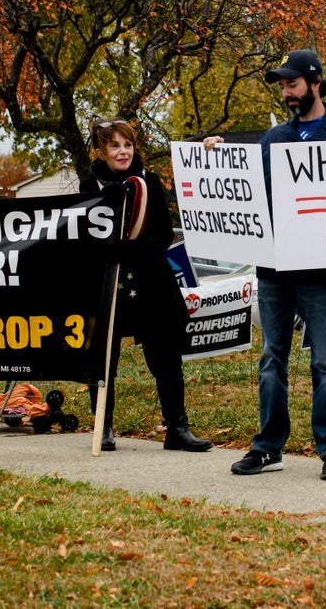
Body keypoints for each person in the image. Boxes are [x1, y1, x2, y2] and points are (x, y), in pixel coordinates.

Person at [204, 49, 326, 481]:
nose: (286, 93)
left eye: (293, 84)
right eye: (282, 86)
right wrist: (217, 158)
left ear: (315, 83)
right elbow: (252, 185)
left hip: (323, 272)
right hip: (275, 268)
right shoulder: (275, 137)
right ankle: (267, 448)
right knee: (270, 360)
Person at [80, 117, 211, 453]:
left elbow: (163, 234)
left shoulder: (148, 182)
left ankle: (177, 428)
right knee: (103, 357)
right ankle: (103, 427)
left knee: (166, 356)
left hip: (151, 281)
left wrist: (126, 250)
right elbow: (84, 237)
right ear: (100, 150)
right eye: (114, 145)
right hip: (109, 283)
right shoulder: (89, 186)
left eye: (127, 144)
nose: (123, 151)